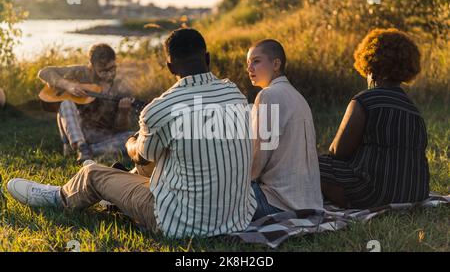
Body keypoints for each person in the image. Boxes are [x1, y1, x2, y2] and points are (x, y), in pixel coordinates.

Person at [7, 28, 257, 238]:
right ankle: (112, 191)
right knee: (162, 157)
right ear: (208, 58)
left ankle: (59, 196)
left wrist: (131, 141)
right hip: (236, 218)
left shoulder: (161, 107)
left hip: (181, 223)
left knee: (93, 172)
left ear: (170, 67)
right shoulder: (235, 94)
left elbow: (140, 156)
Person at [319, 28, 430, 209]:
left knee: (312, 164)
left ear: (370, 68)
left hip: (374, 194)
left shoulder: (365, 100)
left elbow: (338, 153)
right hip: (414, 192)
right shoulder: (413, 109)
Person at [247, 39, 323, 220]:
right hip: (308, 202)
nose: (249, 68)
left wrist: (243, 181)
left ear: (276, 64)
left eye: (256, 61)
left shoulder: (268, 94)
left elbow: (259, 156)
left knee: (220, 193)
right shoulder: (297, 96)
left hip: (277, 203)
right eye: (248, 63)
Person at [38, 43, 135, 163]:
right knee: (66, 104)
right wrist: (68, 86)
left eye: (112, 69)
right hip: (77, 131)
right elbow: (44, 72)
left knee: (134, 137)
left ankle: (89, 151)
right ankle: (80, 146)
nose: (109, 74)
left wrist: (123, 113)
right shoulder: (80, 72)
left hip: (103, 136)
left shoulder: (121, 87)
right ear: (91, 66)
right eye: (103, 71)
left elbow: (120, 128)